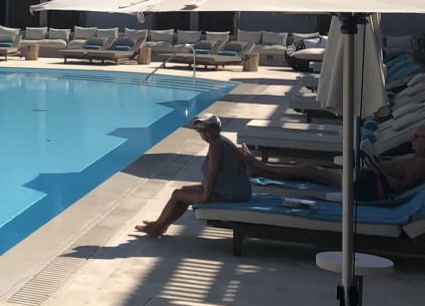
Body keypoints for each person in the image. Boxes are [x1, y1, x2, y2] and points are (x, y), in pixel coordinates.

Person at [134, 113, 252, 237]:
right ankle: (161, 225)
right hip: (230, 189)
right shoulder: (221, 140)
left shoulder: (216, 145)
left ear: (217, 129)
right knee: (183, 190)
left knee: (178, 194)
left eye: (207, 130)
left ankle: (157, 227)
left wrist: (205, 197)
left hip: (231, 193)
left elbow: (212, 174)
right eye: (200, 130)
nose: (204, 134)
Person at [243, 126, 425, 199]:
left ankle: (260, 166)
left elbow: (399, 187)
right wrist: (378, 160)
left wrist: (378, 171)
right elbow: (395, 167)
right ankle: (260, 170)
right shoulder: (414, 157)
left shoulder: (420, 165)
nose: (411, 139)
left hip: (365, 187)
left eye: (416, 137)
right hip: (366, 178)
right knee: (309, 171)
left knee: (309, 170)